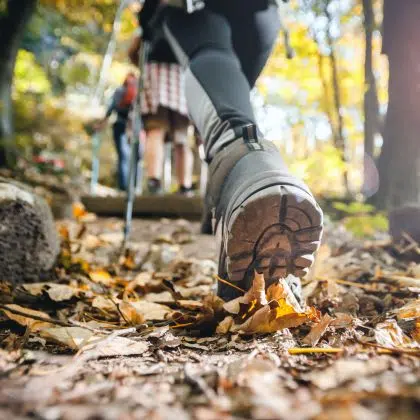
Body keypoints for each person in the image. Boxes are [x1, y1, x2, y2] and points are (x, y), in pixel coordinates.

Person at [141, 0, 324, 301]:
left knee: (213, 60)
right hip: (261, 15)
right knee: (229, 89)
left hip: (194, 10)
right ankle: (233, 187)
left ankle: (244, 161)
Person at [128, 10, 194, 195]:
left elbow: (134, 50)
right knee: (181, 137)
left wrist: (143, 65)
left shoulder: (153, 13)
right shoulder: (187, 15)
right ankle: (185, 186)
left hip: (154, 73)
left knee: (155, 130)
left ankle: (153, 181)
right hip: (182, 77)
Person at [96, 73, 137, 191]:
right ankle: (134, 186)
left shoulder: (119, 90)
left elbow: (111, 108)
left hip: (120, 125)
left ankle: (123, 186)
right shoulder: (139, 91)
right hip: (135, 127)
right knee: (135, 157)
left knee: (123, 156)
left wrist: (101, 124)